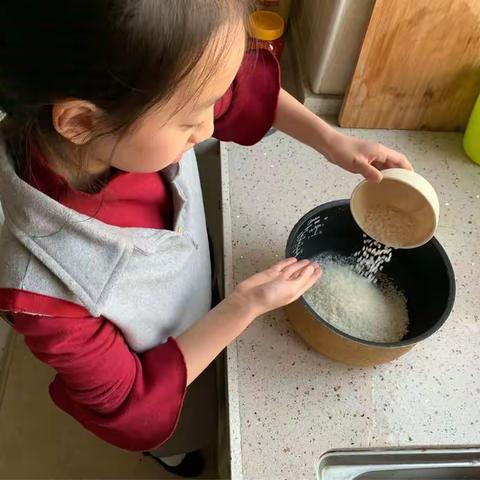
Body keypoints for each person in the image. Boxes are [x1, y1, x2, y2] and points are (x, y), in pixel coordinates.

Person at [0, 1, 412, 477]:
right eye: (190, 118)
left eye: (209, 103)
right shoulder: (43, 291)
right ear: (80, 122)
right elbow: (134, 401)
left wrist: (332, 140)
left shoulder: (134, 104)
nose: (212, 125)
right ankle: (175, 457)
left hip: (189, 288)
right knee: (187, 423)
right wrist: (242, 306)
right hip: (168, 361)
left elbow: (232, 91)